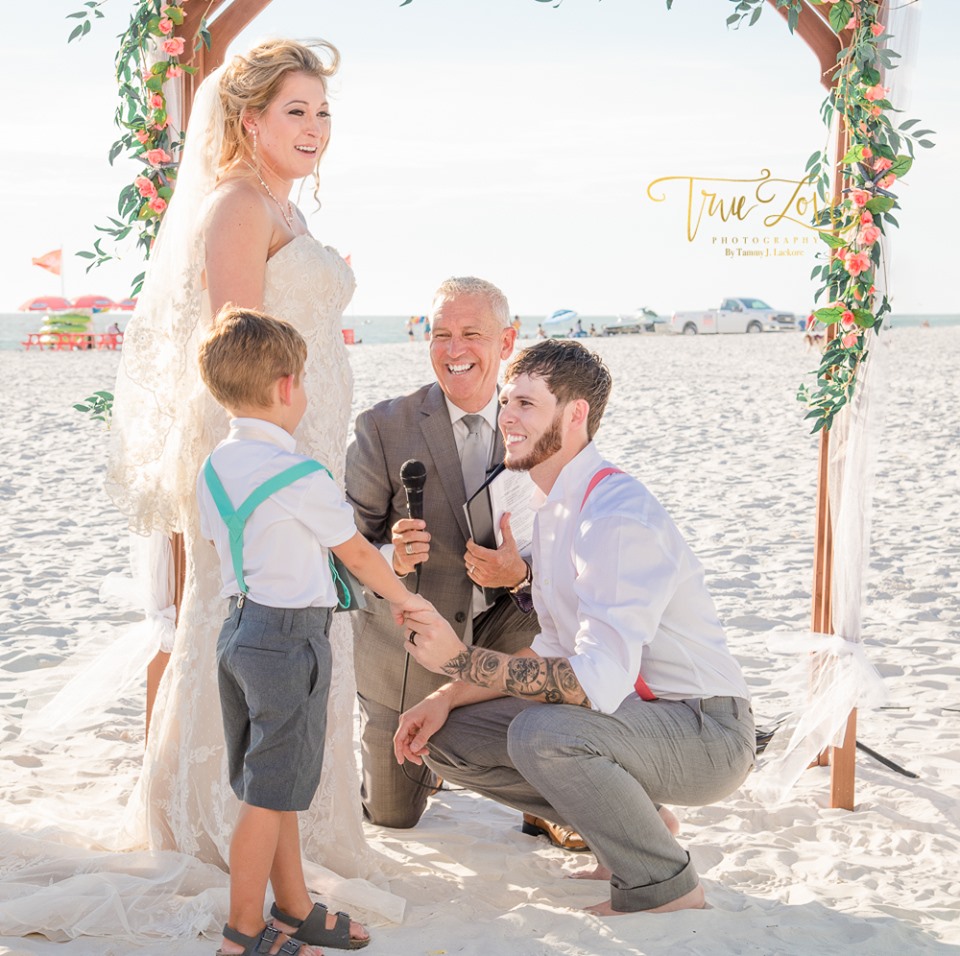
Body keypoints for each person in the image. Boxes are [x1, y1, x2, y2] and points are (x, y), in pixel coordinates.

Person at [103, 37, 381, 915]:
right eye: (294, 111)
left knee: (305, 623)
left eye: (322, 111)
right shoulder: (236, 205)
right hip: (268, 459)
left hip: (305, 444)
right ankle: (221, 824)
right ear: (249, 118)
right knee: (254, 621)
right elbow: (234, 344)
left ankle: (296, 822)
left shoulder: (286, 210)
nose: (314, 127)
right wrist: (282, 451)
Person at [396, 339, 756, 915]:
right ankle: (634, 826)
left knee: (543, 734)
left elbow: (590, 683)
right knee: (445, 737)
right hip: (636, 720)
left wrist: (460, 660)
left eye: (527, 405)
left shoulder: (615, 514)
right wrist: (445, 695)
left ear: (576, 415)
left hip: (705, 729)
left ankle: (664, 886)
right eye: (506, 402)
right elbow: (551, 654)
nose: (507, 417)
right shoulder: (556, 508)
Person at [196, 308, 427, 954]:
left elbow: (227, 546)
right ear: (286, 387)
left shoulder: (215, 468)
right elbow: (355, 556)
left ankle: (293, 905)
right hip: (289, 643)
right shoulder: (302, 478)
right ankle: (243, 933)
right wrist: (409, 600)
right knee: (268, 798)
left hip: (238, 633)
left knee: (273, 782)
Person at [346, 276, 546, 833]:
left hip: (510, 635)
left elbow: (578, 548)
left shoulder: (542, 422)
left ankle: (525, 766)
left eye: (471, 334)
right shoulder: (382, 427)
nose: (454, 350)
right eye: (441, 334)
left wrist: (520, 573)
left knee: (550, 803)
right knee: (393, 817)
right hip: (408, 655)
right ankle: (435, 757)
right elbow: (343, 547)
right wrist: (392, 561)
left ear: (506, 343)